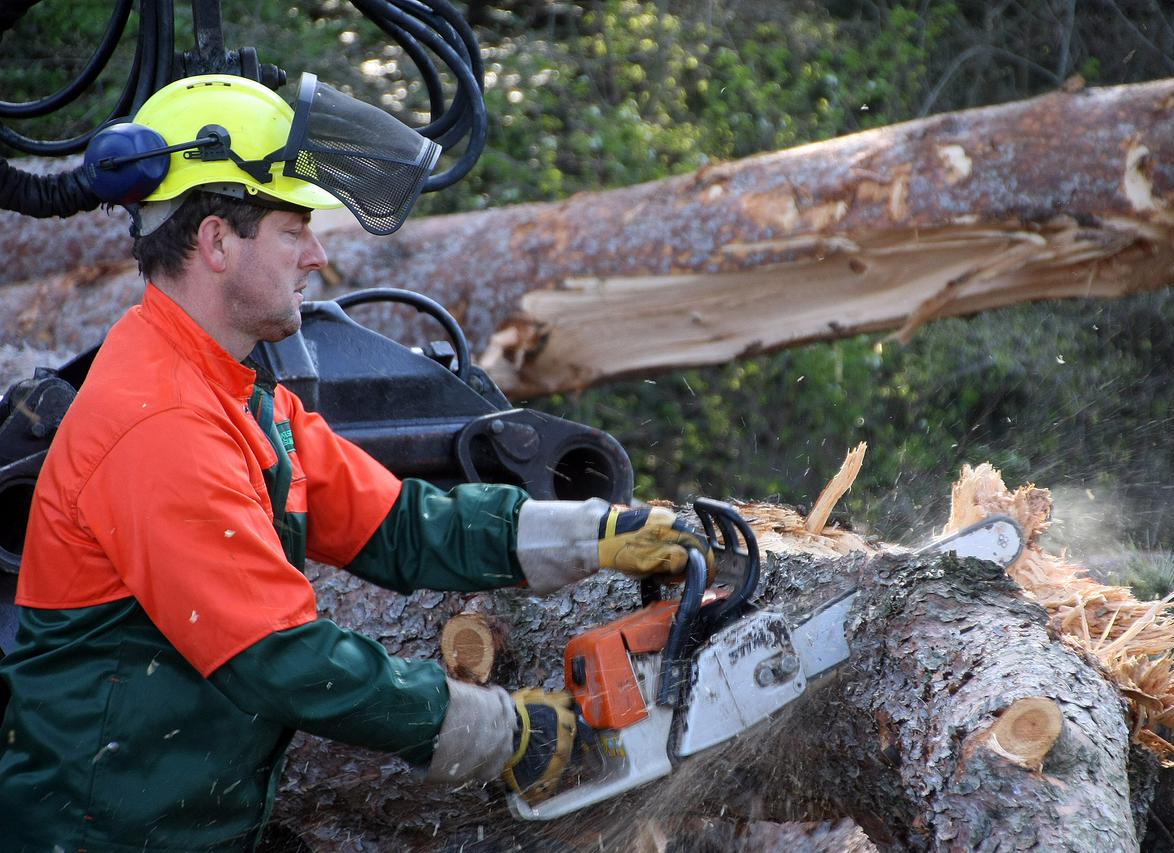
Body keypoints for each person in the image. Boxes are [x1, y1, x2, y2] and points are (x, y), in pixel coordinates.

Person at [0, 75, 710, 852]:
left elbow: (398, 522)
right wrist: (502, 732)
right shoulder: (160, 424)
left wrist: (593, 532)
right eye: (293, 228)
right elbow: (281, 657)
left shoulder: (237, 393)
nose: (318, 253)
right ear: (215, 241)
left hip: (178, 823)